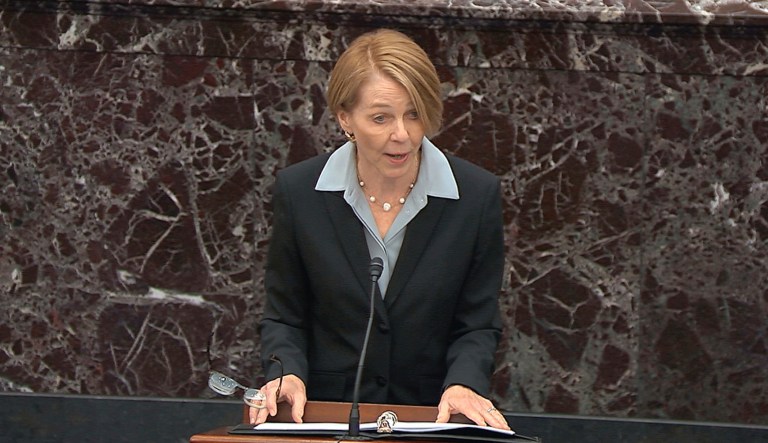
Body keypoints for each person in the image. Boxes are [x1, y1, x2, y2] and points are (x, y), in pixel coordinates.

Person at [252, 28, 509, 430]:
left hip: (430, 418)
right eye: (380, 117)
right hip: (327, 418)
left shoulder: (475, 196)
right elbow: (284, 315)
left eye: (414, 113)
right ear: (345, 119)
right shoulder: (300, 192)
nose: (402, 135)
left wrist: (464, 383)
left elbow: (477, 322)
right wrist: (285, 372)